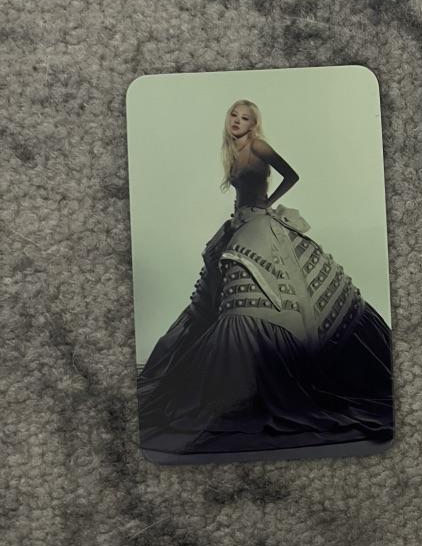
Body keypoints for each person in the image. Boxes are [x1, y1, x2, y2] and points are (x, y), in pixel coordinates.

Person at [137, 99, 393, 456]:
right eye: (234, 115)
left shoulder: (258, 146)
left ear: (253, 124)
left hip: (259, 223)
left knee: (259, 296)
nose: (237, 121)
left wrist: (268, 203)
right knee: (213, 299)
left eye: (245, 118)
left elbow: (291, 175)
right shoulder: (231, 152)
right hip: (239, 223)